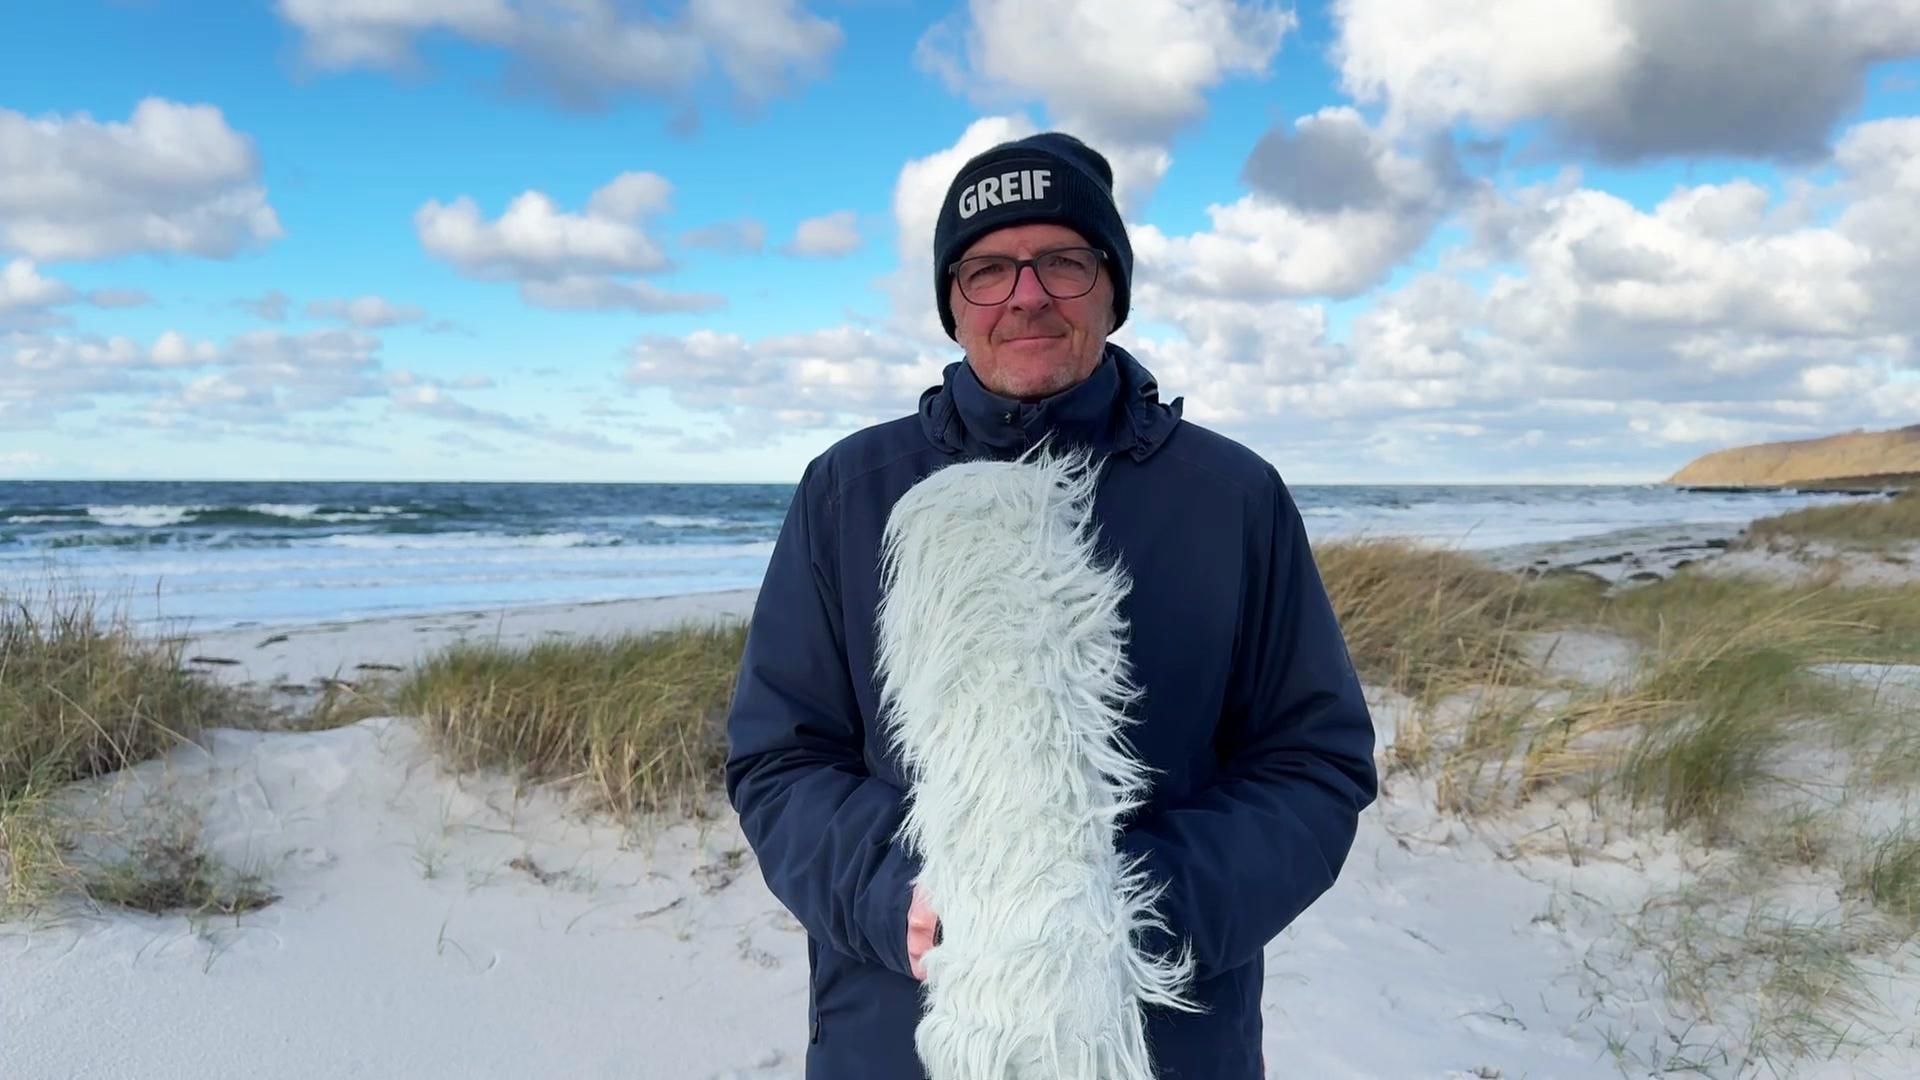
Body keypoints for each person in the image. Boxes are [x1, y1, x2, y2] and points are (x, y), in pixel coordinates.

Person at [724, 131, 1378, 1079]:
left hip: (1161, 1039)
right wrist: (899, 893)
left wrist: (1131, 909)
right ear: (953, 305)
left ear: (1111, 288)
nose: (1026, 295)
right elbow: (779, 756)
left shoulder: (1232, 496)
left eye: (1062, 263)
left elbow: (1314, 760)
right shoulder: (847, 491)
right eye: (988, 269)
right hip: (900, 1035)